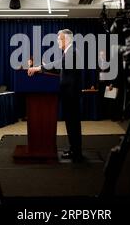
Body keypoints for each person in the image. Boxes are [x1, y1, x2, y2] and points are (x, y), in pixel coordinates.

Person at [28, 29, 83, 162]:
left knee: (73, 123)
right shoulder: (69, 52)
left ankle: (76, 152)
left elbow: (59, 64)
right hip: (68, 93)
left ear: (67, 39)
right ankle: (74, 148)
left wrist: (38, 68)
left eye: (59, 38)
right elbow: (60, 67)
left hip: (71, 94)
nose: (57, 41)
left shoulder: (73, 52)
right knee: (71, 123)